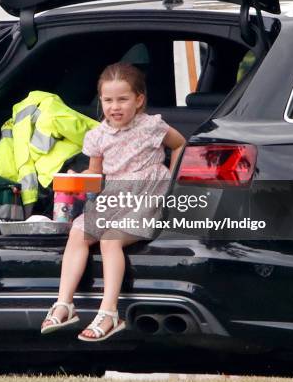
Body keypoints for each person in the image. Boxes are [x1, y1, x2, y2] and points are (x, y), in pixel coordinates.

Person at [40, 63, 186, 342]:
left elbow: (180, 144)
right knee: (79, 231)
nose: (114, 107)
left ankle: (109, 313)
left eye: (123, 99)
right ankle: (63, 304)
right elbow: (95, 173)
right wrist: (76, 177)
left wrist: (174, 182)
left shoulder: (152, 126)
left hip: (148, 192)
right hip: (116, 193)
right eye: (108, 100)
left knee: (109, 239)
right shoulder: (97, 136)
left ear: (139, 100)